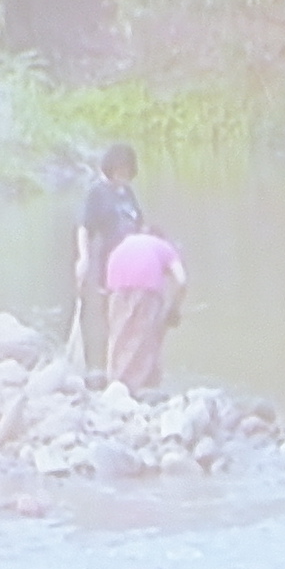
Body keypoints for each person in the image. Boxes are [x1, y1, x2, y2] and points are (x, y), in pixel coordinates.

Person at [70, 142, 143, 373]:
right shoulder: (97, 192)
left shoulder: (127, 193)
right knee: (112, 315)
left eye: (128, 171)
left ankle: (127, 364)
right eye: (120, 170)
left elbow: (139, 223)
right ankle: (110, 367)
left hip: (134, 262)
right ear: (111, 168)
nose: (124, 175)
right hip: (109, 263)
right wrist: (83, 258)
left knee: (133, 315)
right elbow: (85, 227)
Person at [101, 226, 182, 394]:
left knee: (119, 336)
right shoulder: (165, 247)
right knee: (144, 338)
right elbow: (181, 281)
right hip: (147, 284)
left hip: (115, 282)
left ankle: (114, 383)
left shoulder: (127, 242)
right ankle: (136, 389)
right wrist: (174, 308)